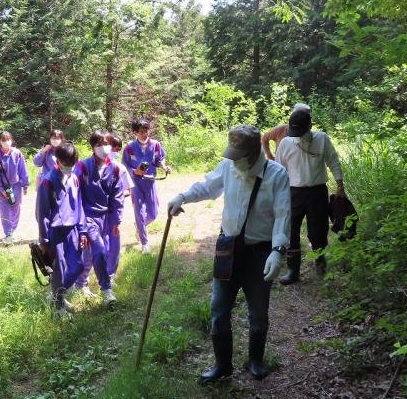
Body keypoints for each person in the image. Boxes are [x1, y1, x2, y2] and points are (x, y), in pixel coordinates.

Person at [167, 125, 291, 382]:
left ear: (253, 152)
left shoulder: (277, 174)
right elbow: (208, 187)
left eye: (239, 156)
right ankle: (222, 365)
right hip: (228, 249)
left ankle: (255, 360)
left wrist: (278, 250)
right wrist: (182, 196)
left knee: (258, 312)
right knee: (219, 308)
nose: (234, 161)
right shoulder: (228, 166)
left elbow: (283, 214)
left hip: (260, 253)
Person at [275, 104, 345, 283]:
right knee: (291, 230)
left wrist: (340, 187)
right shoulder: (285, 143)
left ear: (310, 126)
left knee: (318, 230)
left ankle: (321, 263)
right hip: (293, 193)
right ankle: (293, 270)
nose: (297, 136)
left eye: (301, 131)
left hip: (317, 192)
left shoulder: (322, 139)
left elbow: (333, 162)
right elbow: (279, 170)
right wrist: (276, 195)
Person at [36, 141, 89, 317]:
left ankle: (57, 294)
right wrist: (44, 240)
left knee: (78, 266)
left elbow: (79, 206)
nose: (69, 166)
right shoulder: (48, 182)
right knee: (58, 269)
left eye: (72, 163)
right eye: (66, 163)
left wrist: (82, 231)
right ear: (57, 161)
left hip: (72, 229)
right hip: (55, 232)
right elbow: (42, 213)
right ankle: (59, 308)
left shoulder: (74, 179)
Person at [73, 131, 124, 304]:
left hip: (106, 217)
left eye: (107, 144)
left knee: (90, 254)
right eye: (99, 145)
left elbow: (117, 196)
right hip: (88, 217)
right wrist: (79, 223)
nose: (104, 148)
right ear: (93, 147)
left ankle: (80, 284)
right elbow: (75, 194)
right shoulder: (83, 167)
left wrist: (117, 220)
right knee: (99, 249)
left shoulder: (115, 168)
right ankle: (106, 290)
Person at [122, 119, 170, 254]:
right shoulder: (129, 147)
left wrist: (164, 167)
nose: (144, 134)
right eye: (141, 132)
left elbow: (159, 159)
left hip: (150, 181)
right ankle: (145, 243)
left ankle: (139, 226)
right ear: (135, 133)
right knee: (139, 212)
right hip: (135, 183)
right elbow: (124, 165)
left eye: (146, 131)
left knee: (153, 214)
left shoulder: (156, 145)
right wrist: (134, 172)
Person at [0, 131, 29, 245]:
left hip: (16, 186)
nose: (6, 142)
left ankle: (13, 230)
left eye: (8, 139)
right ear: (0, 141)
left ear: (11, 140)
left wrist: (25, 184)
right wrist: (0, 189)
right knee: (5, 211)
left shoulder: (17, 153)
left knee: (16, 208)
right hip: (2, 187)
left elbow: (22, 169)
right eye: (4, 140)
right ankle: (8, 233)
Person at [106, 134, 133, 283]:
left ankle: (110, 275)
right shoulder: (91, 166)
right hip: (95, 213)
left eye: (118, 149)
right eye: (113, 147)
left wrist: (115, 194)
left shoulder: (120, 168)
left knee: (114, 243)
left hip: (113, 212)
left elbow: (128, 190)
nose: (115, 151)